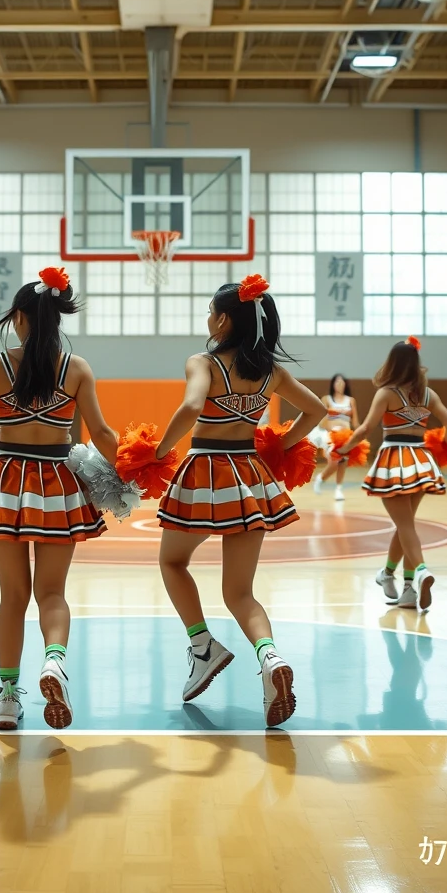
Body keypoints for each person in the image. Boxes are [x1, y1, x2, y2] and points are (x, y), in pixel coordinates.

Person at [0, 268, 116, 732]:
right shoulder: (77, 368)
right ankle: (54, 663)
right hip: (59, 483)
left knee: (13, 597)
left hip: (6, 483)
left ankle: (6, 698)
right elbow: (101, 434)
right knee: (52, 593)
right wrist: (135, 467)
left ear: (19, 316)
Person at [155, 275, 326, 728]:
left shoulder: (203, 363)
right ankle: (270, 659)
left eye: (212, 311)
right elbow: (317, 410)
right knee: (241, 592)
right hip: (250, 476)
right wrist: (285, 445)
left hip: (206, 472)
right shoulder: (273, 371)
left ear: (224, 319)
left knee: (172, 563)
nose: (208, 318)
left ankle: (202, 646)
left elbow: (192, 408)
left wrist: (160, 449)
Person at [336, 336, 447, 614]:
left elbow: (366, 429)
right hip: (421, 459)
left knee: (405, 526)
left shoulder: (387, 393)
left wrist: (342, 449)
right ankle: (403, 585)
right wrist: (439, 452)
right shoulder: (429, 394)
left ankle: (423, 571)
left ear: (393, 363)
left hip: (394, 460)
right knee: (406, 524)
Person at [311, 373, 358, 500]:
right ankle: (321, 478)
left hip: (346, 435)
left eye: (342, 382)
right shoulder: (327, 399)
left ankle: (338, 489)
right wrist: (329, 426)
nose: (340, 384)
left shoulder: (351, 401)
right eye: (337, 382)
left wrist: (359, 435)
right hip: (330, 435)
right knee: (335, 460)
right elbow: (320, 419)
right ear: (332, 384)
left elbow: (355, 423)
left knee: (343, 462)